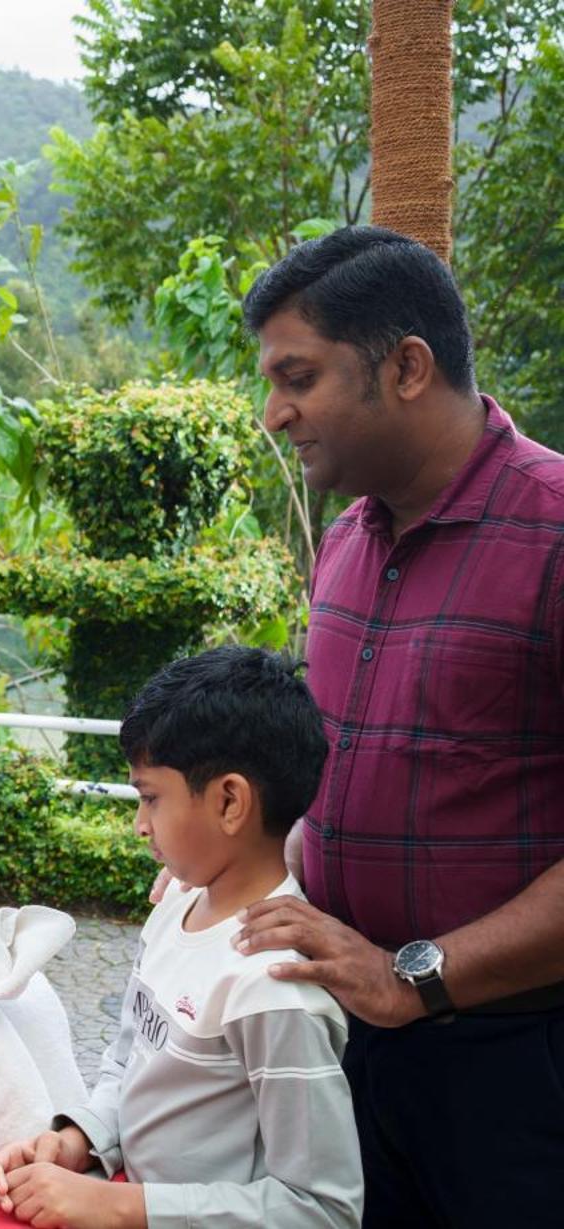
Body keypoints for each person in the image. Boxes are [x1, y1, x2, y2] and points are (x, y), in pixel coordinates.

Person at [232, 226, 564, 1226]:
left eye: (297, 376)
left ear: (406, 366)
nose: (272, 412)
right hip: (344, 1041)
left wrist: (409, 978)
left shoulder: (553, 532)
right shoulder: (344, 538)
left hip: (515, 1066)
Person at [0, 647, 361, 1229]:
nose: (139, 823)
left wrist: (120, 1206)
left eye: (150, 797)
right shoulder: (176, 904)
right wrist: (77, 1139)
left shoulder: (274, 985)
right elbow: (130, 1061)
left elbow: (322, 1209)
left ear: (230, 801)